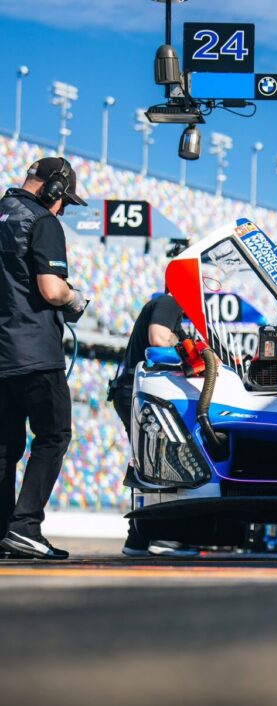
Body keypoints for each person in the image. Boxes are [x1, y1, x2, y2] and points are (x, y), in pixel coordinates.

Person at [0, 157, 87, 559]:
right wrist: (74, 298)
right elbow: (52, 290)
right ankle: (25, 525)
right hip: (34, 352)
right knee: (54, 436)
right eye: (64, 199)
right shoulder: (42, 221)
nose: (64, 208)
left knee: (5, 446)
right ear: (52, 189)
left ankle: (5, 530)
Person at [111, 291, 198, 557]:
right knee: (166, 461)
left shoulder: (166, 306)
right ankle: (165, 537)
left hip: (131, 390)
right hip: (139, 391)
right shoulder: (171, 301)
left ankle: (138, 538)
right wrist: (189, 346)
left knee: (149, 463)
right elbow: (158, 339)